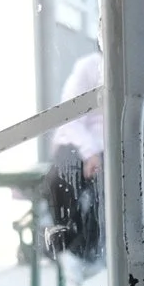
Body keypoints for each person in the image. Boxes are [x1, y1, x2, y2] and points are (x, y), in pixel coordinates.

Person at [46, 51, 104, 267]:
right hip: (76, 142)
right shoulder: (89, 67)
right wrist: (90, 153)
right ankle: (67, 249)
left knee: (111, 185)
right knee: (59, 179)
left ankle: (88, 251)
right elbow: (70, 118)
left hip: (111, 147)